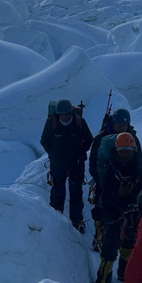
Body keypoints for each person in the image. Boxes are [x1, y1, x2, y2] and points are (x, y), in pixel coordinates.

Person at [93, 133, 142, 283]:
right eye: (122, 150)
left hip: (135, 211)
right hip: (114, 213)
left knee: (129, 244)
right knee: (109, 248)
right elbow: (105, 198)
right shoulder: (111, 169)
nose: (125, 153)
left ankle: (123, 273)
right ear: (116, 150)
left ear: (134, 150)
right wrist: (120, 195)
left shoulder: (140, 167)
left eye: (128, 150)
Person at [88, 107, 142, 251]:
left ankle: (114, 237)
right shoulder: (101, 138)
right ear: (113, 122)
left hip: (126, 180)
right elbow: (93, 160)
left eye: (124, 125)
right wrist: (98, 177)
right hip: (104, 180)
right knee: (101, 208)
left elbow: (138, 160)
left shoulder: (132, 138)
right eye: (119, 124)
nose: (121, 127)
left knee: (122, 210)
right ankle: (100, 235)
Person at [40, 98, 93, 233]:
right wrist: (54, 156)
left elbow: (88, 139)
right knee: (58, 190)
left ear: (71, 113)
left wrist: (80, 155)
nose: (64, 117)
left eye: (66, 115)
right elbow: (44, 141)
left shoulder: (79, 122)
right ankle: (56, 216)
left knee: (75, 192)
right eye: (62, 115)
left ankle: (76, 221)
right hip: (58, 164)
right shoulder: (51, 123)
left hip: (75, 164)